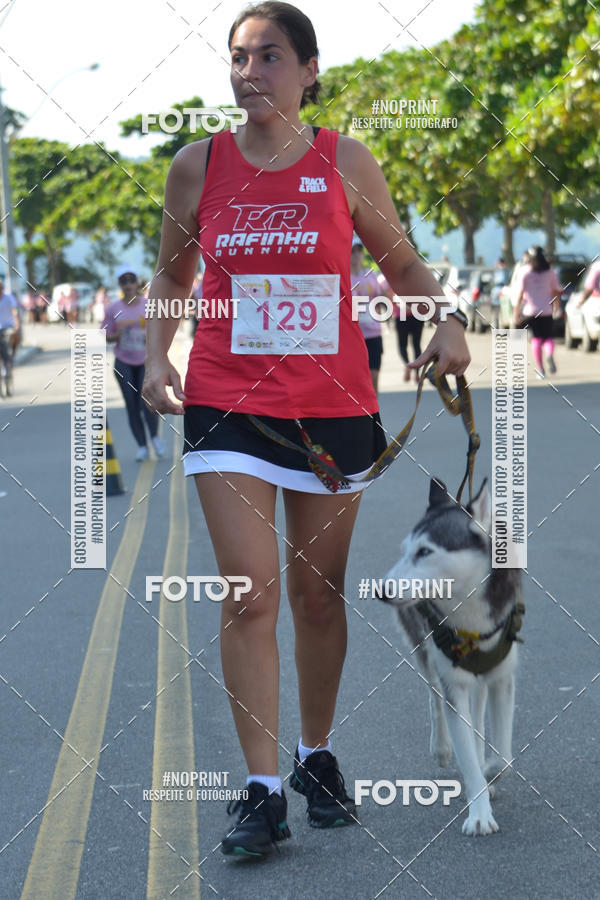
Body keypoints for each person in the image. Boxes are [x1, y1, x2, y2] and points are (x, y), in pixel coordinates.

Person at [142, 0, 470, 859]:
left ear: (309, 69)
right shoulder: (197, 164)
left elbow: (399, 259)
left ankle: (315, 755)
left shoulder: (345, 161)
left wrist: (445, 319)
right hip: (227, 402)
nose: (249, 72)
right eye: (238, 57)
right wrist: (157, 355)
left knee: (317, 596)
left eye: (269, 56)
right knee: (248, 593)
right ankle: (260, 791)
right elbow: (173, 275)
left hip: (332, 406)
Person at [102, 266, 166, 460]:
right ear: (120, 284)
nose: (128, 284)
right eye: (124, 280)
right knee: (131, 405)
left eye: (131, 280)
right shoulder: (113, 309)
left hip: (145, 361)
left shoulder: (147, 305)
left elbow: (161, 329)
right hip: (123, 362)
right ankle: (142, 446)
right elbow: (104, 335)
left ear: (137, 282)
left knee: (147, 401)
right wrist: (116, 336)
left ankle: (155, 437)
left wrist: (151, 338)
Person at [514, 246, 562, 377]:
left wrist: (516, 311)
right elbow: (556, 292)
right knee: (548, 338)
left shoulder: (525, 272)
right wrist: (556, 307)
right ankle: (550, 354)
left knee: (536, 339)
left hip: (531, 312)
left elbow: (520, 294)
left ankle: (541, 369)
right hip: (546, 311)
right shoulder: (550, 272)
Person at [351, 241, 385, 393]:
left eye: (359, 251)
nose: (356, 255)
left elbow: (381, 298)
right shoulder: (343, 276)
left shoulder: (370, 275)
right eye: (352, 251)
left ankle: (373, 407)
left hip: (373, 333)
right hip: (353, 336)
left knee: (374, 376)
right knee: (357, 379)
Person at [0, 279, 21, 397]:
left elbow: (14, 312)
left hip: (8, 327)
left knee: (13, 336)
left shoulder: (8, 298)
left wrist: (16, 325)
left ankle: (12, 355)